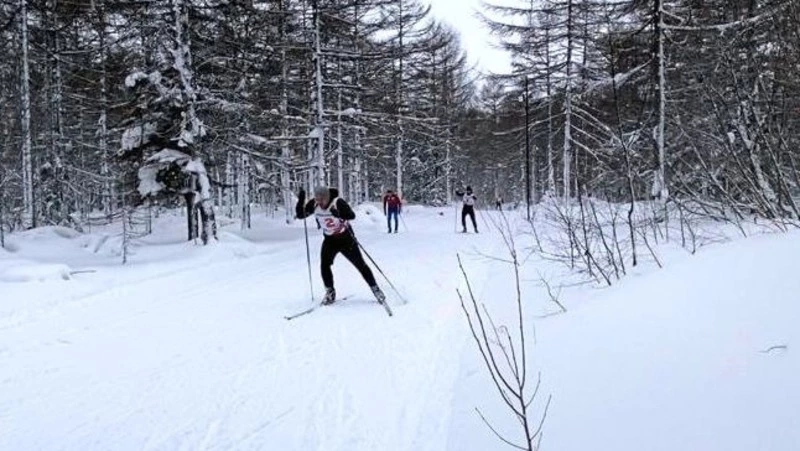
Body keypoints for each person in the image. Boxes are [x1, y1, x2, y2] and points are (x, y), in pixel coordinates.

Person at [296, 186, 386, 305]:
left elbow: (351, 216)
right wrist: (301, 199)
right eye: (318, 200)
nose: (320, 203)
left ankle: (376, 289)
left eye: (322, 200)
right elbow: (301, 215)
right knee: (324, 265)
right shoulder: (314, 204)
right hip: (330, 240)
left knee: (360, 265)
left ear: (327, 197)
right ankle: (330, 292)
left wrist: (338, 214)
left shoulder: (337, 202)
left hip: (346, 239)